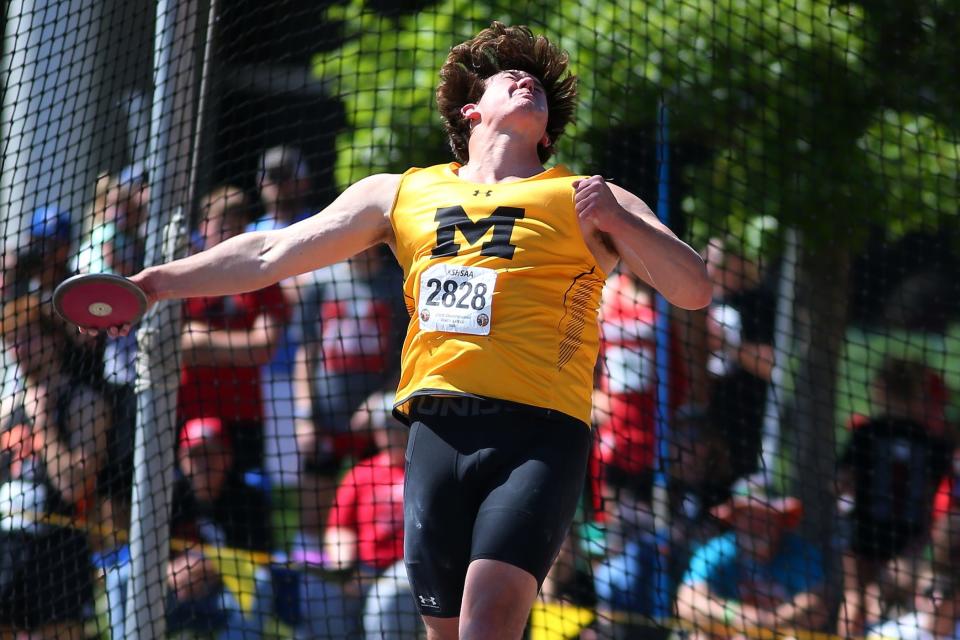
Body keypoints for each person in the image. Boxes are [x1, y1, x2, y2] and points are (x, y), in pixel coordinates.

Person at [85, 21, 711, 640]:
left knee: (488, 620)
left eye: (539, 88)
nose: (526, 82)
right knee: (444, 633)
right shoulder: (401, 193)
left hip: (539, 435)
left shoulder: (584, 196)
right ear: (472, 110)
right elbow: (271, 252)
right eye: (507, 77)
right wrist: (158, 282)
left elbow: (694, 289)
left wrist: (625, 225)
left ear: (547, 131)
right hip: (435, 433)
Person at [0, 293, 111, 639]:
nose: (20, 348)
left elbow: (74, 487)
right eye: (13, 340)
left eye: (28, 336)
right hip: (7, 545)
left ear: (53, 338)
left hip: (58, 553)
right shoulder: (9, 408)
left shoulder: (83, 403)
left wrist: (44, 424)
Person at [837, 358, 955, 638]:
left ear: (880, 390)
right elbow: (931, 492)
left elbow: (843, 482)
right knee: (890, 598)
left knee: (855, 596)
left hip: (865, 531)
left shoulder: (866, 432)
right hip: (908, 538)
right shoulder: (931, 441)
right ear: (917, 394)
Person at [178, 186, 288, 474]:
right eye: (222, 223)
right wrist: (238, 346)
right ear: (204, 226)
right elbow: (176, 346)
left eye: (238, 223)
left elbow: (262, 347)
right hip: (188, 410)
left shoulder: (264, 277)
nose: (230, 232)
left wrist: (203, 340)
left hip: (243, 415)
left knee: (245, 507)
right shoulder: (184, 275)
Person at [675, 495, 828, 639]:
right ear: (735, 519)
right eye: (749, 517)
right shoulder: (717, 550)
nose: (756, 525)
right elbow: (686, 603)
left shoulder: (801, 553)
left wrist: (768, 622)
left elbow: (817, 606)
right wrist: (736, 615)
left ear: (780, 521)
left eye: (765, 517)